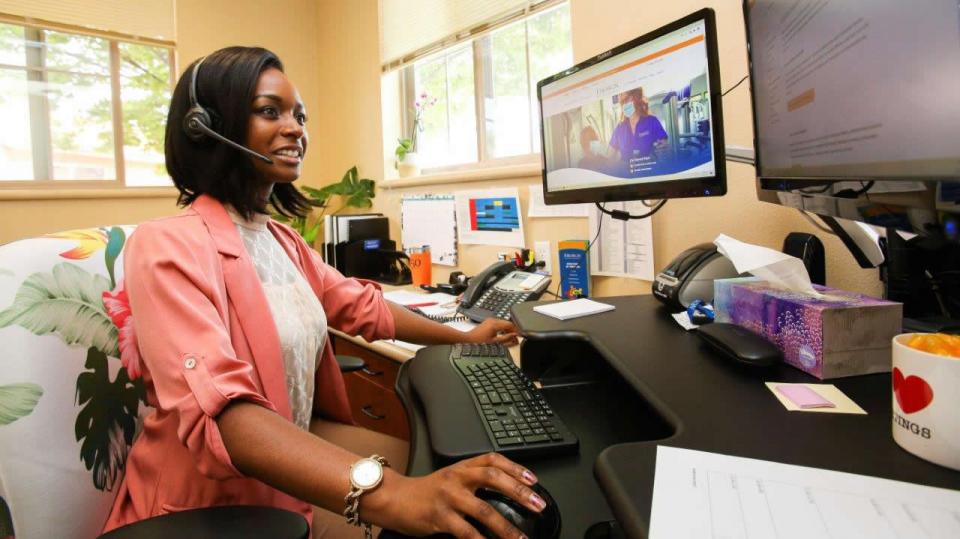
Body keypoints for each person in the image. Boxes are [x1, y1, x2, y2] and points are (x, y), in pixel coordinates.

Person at [102, 46, 546, 539]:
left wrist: (463, 334)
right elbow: (223, 412)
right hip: (217, 500)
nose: (295, 128)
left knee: (443, 466)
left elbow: (361, 307)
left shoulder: (282, 240)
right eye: (270, 111)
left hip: (292, 446)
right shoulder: (167, 245)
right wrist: (398, 495)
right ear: (207, 126)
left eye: (299, 115)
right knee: (424, 508)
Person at [607, 87, 668, 173]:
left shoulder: (652, 121)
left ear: (636, 98)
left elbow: (665, 150)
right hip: (627, 180)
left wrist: (661, 151)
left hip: (649, 175)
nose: (625, 104)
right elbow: (609, 157)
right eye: (623, 102)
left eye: (627, 99)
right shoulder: (620, 128)